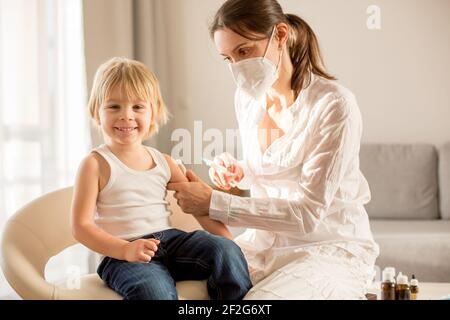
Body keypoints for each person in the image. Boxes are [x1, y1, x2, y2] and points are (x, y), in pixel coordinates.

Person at [167, 0, 379, 299]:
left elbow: (307, 214)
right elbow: (275, 176)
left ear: (280, 35)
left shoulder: (334, 105)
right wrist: (240, 173)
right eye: (227, 58)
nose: (238, 67)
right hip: (262, 246)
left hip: (326, 250)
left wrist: (213, 202)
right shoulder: (247, 99)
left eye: (244, 51)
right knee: (177, 286)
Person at [70, 57, 252, 300]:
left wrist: (231, 244)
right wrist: (124, 250)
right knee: (154, 292)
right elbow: (81, 227)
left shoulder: (164, 161)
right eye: (114, 107)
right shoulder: (95, 164)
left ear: (153, 112)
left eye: (137, 107)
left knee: (225, 251)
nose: (126, 116)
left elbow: (198, 208)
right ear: (96, 112)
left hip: (170, 242)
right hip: (123, 255)